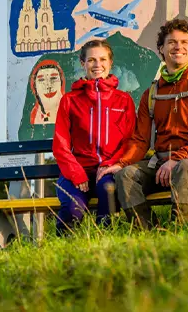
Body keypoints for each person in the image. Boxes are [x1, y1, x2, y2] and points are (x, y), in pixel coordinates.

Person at [98, 19, 188, 226]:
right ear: (161, 49)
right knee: (125, 175)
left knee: (184, 167)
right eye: (172, 42)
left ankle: (181, 231)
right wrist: (120, 164)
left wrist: (177, 159)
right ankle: (148, 232)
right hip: (161, 165)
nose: (179, 47)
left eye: (185, 42)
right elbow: (140, 140)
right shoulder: (151, 94)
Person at [51, 40, 135, 235]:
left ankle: (105, 245)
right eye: (91, 60)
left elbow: (130, 140)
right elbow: (61, 144)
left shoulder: (123, 100)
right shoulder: (70, 100)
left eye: (102, 59)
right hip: (77, 173)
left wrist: (111, 164)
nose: (97, 65)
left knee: (108, 193)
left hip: (109, 171)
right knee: (72, 210)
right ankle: (62, 251)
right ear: (83, 63)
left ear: (110, 63)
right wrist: (76, 173)